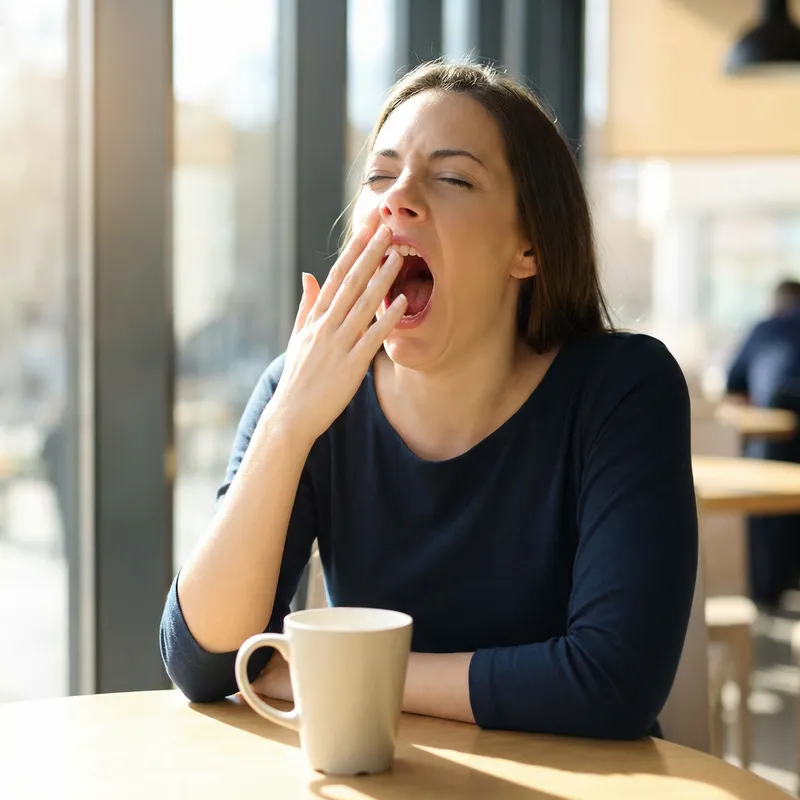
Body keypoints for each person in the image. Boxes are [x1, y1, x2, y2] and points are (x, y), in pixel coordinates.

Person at [160, 62, 698, 740]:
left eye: (451, 178)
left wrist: (331, 671)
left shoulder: (624, 388)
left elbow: (612, 683)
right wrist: (288, 423)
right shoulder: (304, 392)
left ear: (529, 245)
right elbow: (205, 663)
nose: (399, 199)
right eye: (380, 176)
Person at [726, 279, 800, 609]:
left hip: (773, 433)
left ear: (777, 303)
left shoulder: (766, 328)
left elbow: (734, 387)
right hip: (777, 427)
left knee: (765, 506)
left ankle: (766, 593)